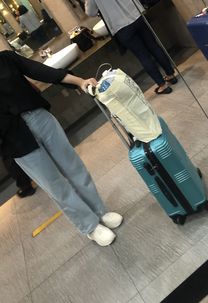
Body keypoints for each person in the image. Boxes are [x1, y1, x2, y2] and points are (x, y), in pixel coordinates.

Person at [0, 50, 122, 246]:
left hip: (39, 118)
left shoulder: (5, 59)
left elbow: (40, 70)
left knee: (74, 168)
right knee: (55, 185)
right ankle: (90, 226)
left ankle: (100, 212)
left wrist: (79, 81)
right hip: (14, 139)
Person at [85, 0, 178, 94]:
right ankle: (171, 75)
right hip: (136, 14)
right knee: (154, 46)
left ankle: (162, 85)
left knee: (143, 56)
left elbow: (90, 12)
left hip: (121, 26)